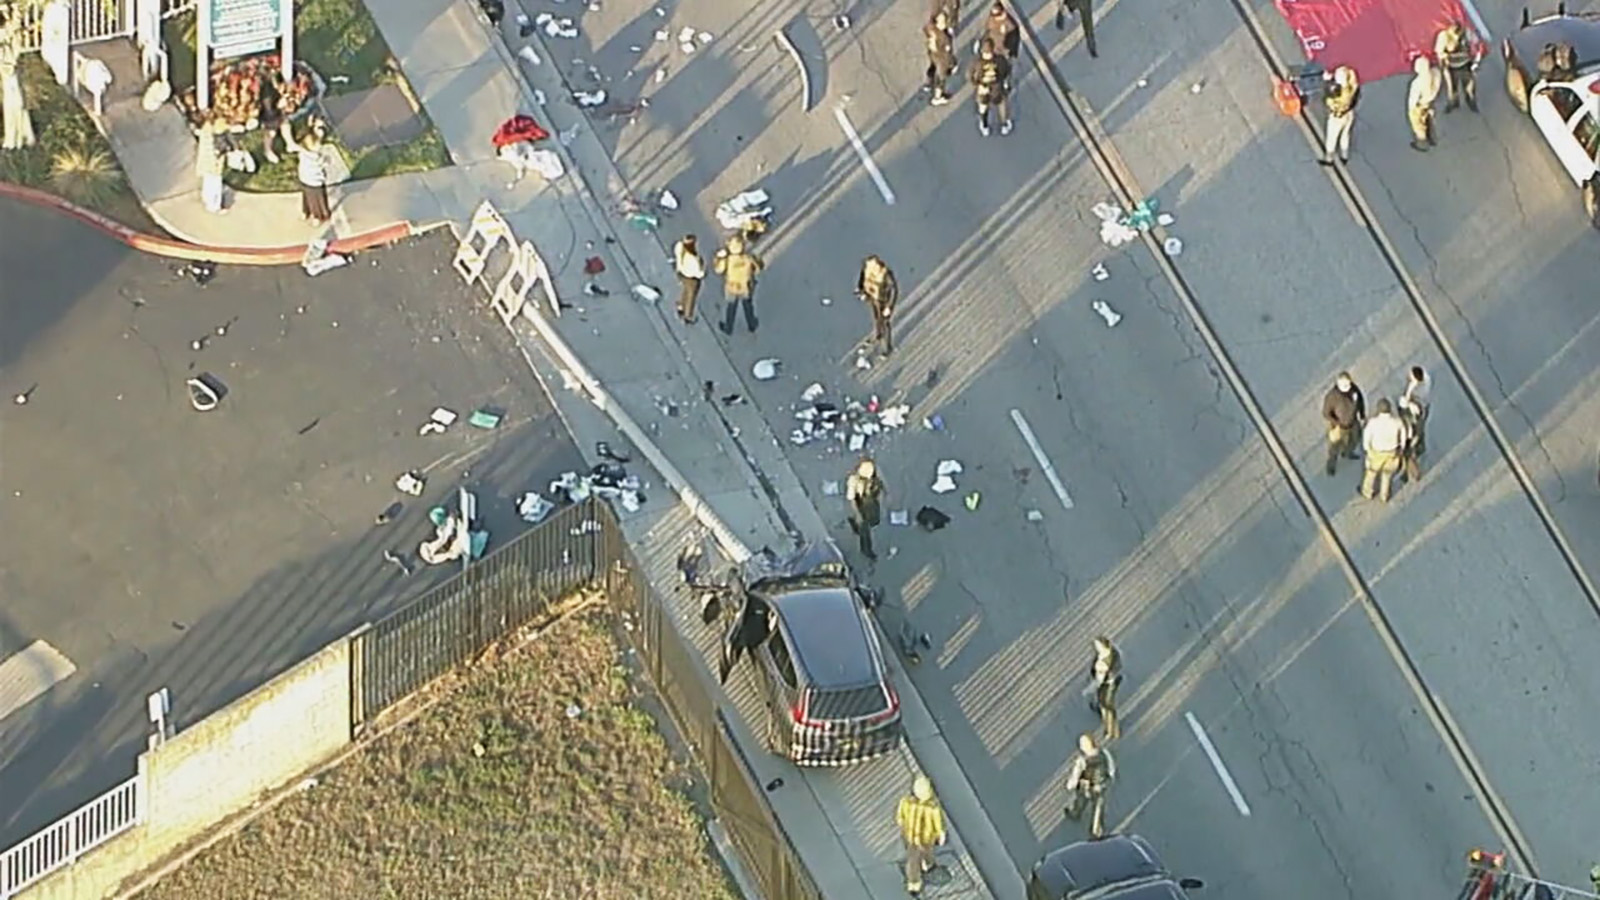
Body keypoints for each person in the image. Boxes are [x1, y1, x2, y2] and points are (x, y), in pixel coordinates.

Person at [896, 775, 947, 897]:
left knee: (922, 854)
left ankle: (926, 865)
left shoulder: (907, 802)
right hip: (922, 837)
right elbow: (938, 822)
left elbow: (900, 816)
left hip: (916, 836)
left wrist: (902, 825)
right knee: (914, 859)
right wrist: (941, 833)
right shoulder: (931, 807)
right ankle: (915, 880)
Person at [1063, 732, 1116, 838]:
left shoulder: (1082, 761)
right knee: (1098, 807)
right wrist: (1110, 778)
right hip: (1100, 786)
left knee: (1081, 800)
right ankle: (1096, 831)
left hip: (1086, 787)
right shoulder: (1104, 753)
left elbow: (1076, 776)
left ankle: (1076, 813)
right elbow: (1111, 767)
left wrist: (1070, 786)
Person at [287, 119, 337, 224]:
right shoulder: (316, 157)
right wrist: (327, 160)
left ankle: (306, 212)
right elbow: (325, 162)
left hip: (304, 178)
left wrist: (311, 125)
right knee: (317, 200)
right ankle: (318, 216)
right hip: (315, 181)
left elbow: (294, 145)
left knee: (307, 196)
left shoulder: (303, 150)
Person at [712, 234, 764, 335]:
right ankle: (751, 325)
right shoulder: (748, 258)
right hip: (745, 286)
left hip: (732, 286)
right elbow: (758, 268)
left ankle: (728, 328)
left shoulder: (728, 259)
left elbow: (719, 270)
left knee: (731, 307)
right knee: (748, 305)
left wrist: (718, 258)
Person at [1361, 398, 1409, 503]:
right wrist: (1401, 447)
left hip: (1376, 452)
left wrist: (1367, 449)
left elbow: (1367, 437)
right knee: (1387, 475)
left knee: (1371, 473)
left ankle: (1367, 492)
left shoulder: (1373, 422)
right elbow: (1403, 436)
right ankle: (1384, 495)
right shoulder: (1397, 422)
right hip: (1392, 452)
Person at [1323, 371, 1366, 476]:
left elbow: (1361, 401)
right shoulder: (1332, 396)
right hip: (1338, 426)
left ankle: (1347, 452)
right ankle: (1331, 466)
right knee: (1334, 447)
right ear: (1338, 384)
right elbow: (1326, 413)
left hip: (1353, 422)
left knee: (1356, 439)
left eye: (1348, 383)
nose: (1347, 386)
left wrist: (1362, 414)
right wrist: (1336, 422)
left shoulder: (1354, 390)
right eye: (1344, 384)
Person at [969, 37, 1014, 136]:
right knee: (1001, 103)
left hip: (983, 88)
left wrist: (978, 84)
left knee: (983, 106)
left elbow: (970, 76)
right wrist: (1004, 82)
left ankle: (985, 126)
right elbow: (1006, 71)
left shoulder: (976, 62)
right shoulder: (1000, 60)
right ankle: (1004, 125)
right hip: (996, 87)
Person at [857, 255, 899, 357]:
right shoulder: (867, 267)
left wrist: (889, 306)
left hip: (884, 299)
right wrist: (862, 291)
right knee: (877, 318)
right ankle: (878, 335)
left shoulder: (886, 273)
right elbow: (862, 280)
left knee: (884, 321)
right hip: (873, 297)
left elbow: (894, 290)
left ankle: (887, 346)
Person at [1319, 66, 1360, 166]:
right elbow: (1354, 82)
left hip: (1336, 117)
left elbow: (1327, 99)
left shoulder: (1337, 95)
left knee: (1331, 138)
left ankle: (1329, 158)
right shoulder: (1350, 88)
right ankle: (1344, 156)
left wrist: (1327, 81)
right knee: (1345, 135)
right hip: (1348, 113)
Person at [846, 458, 885, 560]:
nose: (869, 472)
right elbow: (852, 499)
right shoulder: (854, 480)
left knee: (873, 522)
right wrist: (858, 514)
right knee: (865, 531)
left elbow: (881, 486)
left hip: (873, 506)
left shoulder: (874, 477)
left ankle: (855, 526)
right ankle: (866, 550)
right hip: (862, 508)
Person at [1434, 21, 1478, 112]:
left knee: (1469, 87)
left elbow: (1475, 42)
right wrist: (1445, 58)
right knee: (1452, 88)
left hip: (1466, 64)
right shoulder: (1443, 36)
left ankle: (1470, 102)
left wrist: (1475, 55)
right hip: (1451, 67)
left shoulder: (1466, 33)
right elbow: (1439, 52)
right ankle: (1454, 103)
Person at [1088, 636, 1123, 741]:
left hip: (1107, 684)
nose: (1096, 648)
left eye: (1097, 645)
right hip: (1108, 682)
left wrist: (1093, 686)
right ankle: (1111, 728)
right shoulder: (1109, 653)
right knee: (1106, 705)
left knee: (1107, 707)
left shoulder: (1107, 660)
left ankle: (1111, 730)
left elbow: (1102, 676)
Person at [924, 9, 958, 107]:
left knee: (932, 67)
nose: (945, 23)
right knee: (941, 78)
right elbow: (948, 53)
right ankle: (938, 97)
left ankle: (929, 82)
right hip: (941, 59)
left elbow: (926, 29)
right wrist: (952, 63)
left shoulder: (932, 29)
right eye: (943, 21)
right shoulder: (944, 36)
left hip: (933, 54)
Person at [1406, 55, 1440, 152]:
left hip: (1418, 106)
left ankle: (1422, 143)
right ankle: (1432, 138)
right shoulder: (1435, 74)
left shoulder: (1417, 82)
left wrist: (1411, 109)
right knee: (1429, 121)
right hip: (1429, 102)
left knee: (1419, 126)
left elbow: (1413, 99)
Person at [195, 119, 226, 214]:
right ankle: (214, 205)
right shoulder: (219, 127)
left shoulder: (207, 126)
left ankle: (207, 199)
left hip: (207, 157)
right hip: (214, 159)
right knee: (215, 180)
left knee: (208, 178)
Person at [673, 234, 706, 324]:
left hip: (682, 274)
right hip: (692, 278)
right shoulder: (693, 259)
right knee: (691, 297)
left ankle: (681, 306)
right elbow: (699, 273)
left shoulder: (680, 248)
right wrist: (702, 271)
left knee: (685, 291)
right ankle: (688, 316)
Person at [1400, 364, 1431, 457]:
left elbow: (1410, 400)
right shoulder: (1426, 381)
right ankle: (1419, 446)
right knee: (1419, 430)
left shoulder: (1417, 389)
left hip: (1416, 411)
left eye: (1411, 375)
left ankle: (1415, 448)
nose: (1409, 375)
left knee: (1415, 430)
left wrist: (1407, 402)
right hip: (1421, 409)